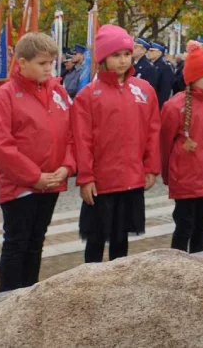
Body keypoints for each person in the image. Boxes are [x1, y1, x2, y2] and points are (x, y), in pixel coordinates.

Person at [0, 32, 74, 292]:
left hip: (52, 181)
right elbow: (2, 147)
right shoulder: (3, 98)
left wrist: (66, 167)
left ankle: (29, 295)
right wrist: (34, 176)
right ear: (22, 63)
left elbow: (70, 134)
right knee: (16, 243)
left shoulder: (58, 93)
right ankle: (8, 300)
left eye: (51, 63)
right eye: (42, 63)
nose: (49, 68)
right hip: (20, 186)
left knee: (36, 241)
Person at [71, 25, 161, 263]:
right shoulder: (88, 95)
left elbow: (153, 131)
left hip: (131, 178)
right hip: (102, 181)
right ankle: (91, 284)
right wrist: (86, 177)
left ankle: (118, 285)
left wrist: (151, 167)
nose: (122, 61)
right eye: (115, 55)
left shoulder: (144, 90)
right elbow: (82, 139)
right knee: (96, 239)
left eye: (126, 54)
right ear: (103, 58)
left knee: (121, 238)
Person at [159, 42, 203, 254]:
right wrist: (167, 173)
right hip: (186, 177)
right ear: (193, 77)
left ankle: (200, 262)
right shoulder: (174, 107)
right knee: (184, 226)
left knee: (202, 226)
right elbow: (164, 143)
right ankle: (177, 266)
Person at [147, 42, 174, 110]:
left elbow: (165, 91)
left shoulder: (165, 67)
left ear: (159, 53)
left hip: (157, 105)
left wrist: (158, 107)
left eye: (152, 51)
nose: (149, 52)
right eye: (149, 50)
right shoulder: (152, 65)